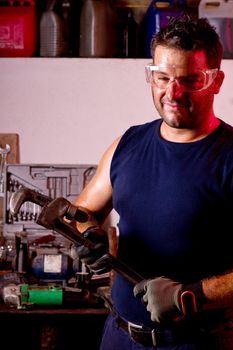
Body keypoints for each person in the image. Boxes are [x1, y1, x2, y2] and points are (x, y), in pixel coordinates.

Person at [74, 12, 233, 350]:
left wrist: (190, 295)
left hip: (199, 343)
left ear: (216, 81)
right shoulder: (128, 143)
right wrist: (88, 234)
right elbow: (83, 209)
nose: (172, 92)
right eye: (161, 77)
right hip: (120, 336)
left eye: (190, 80)